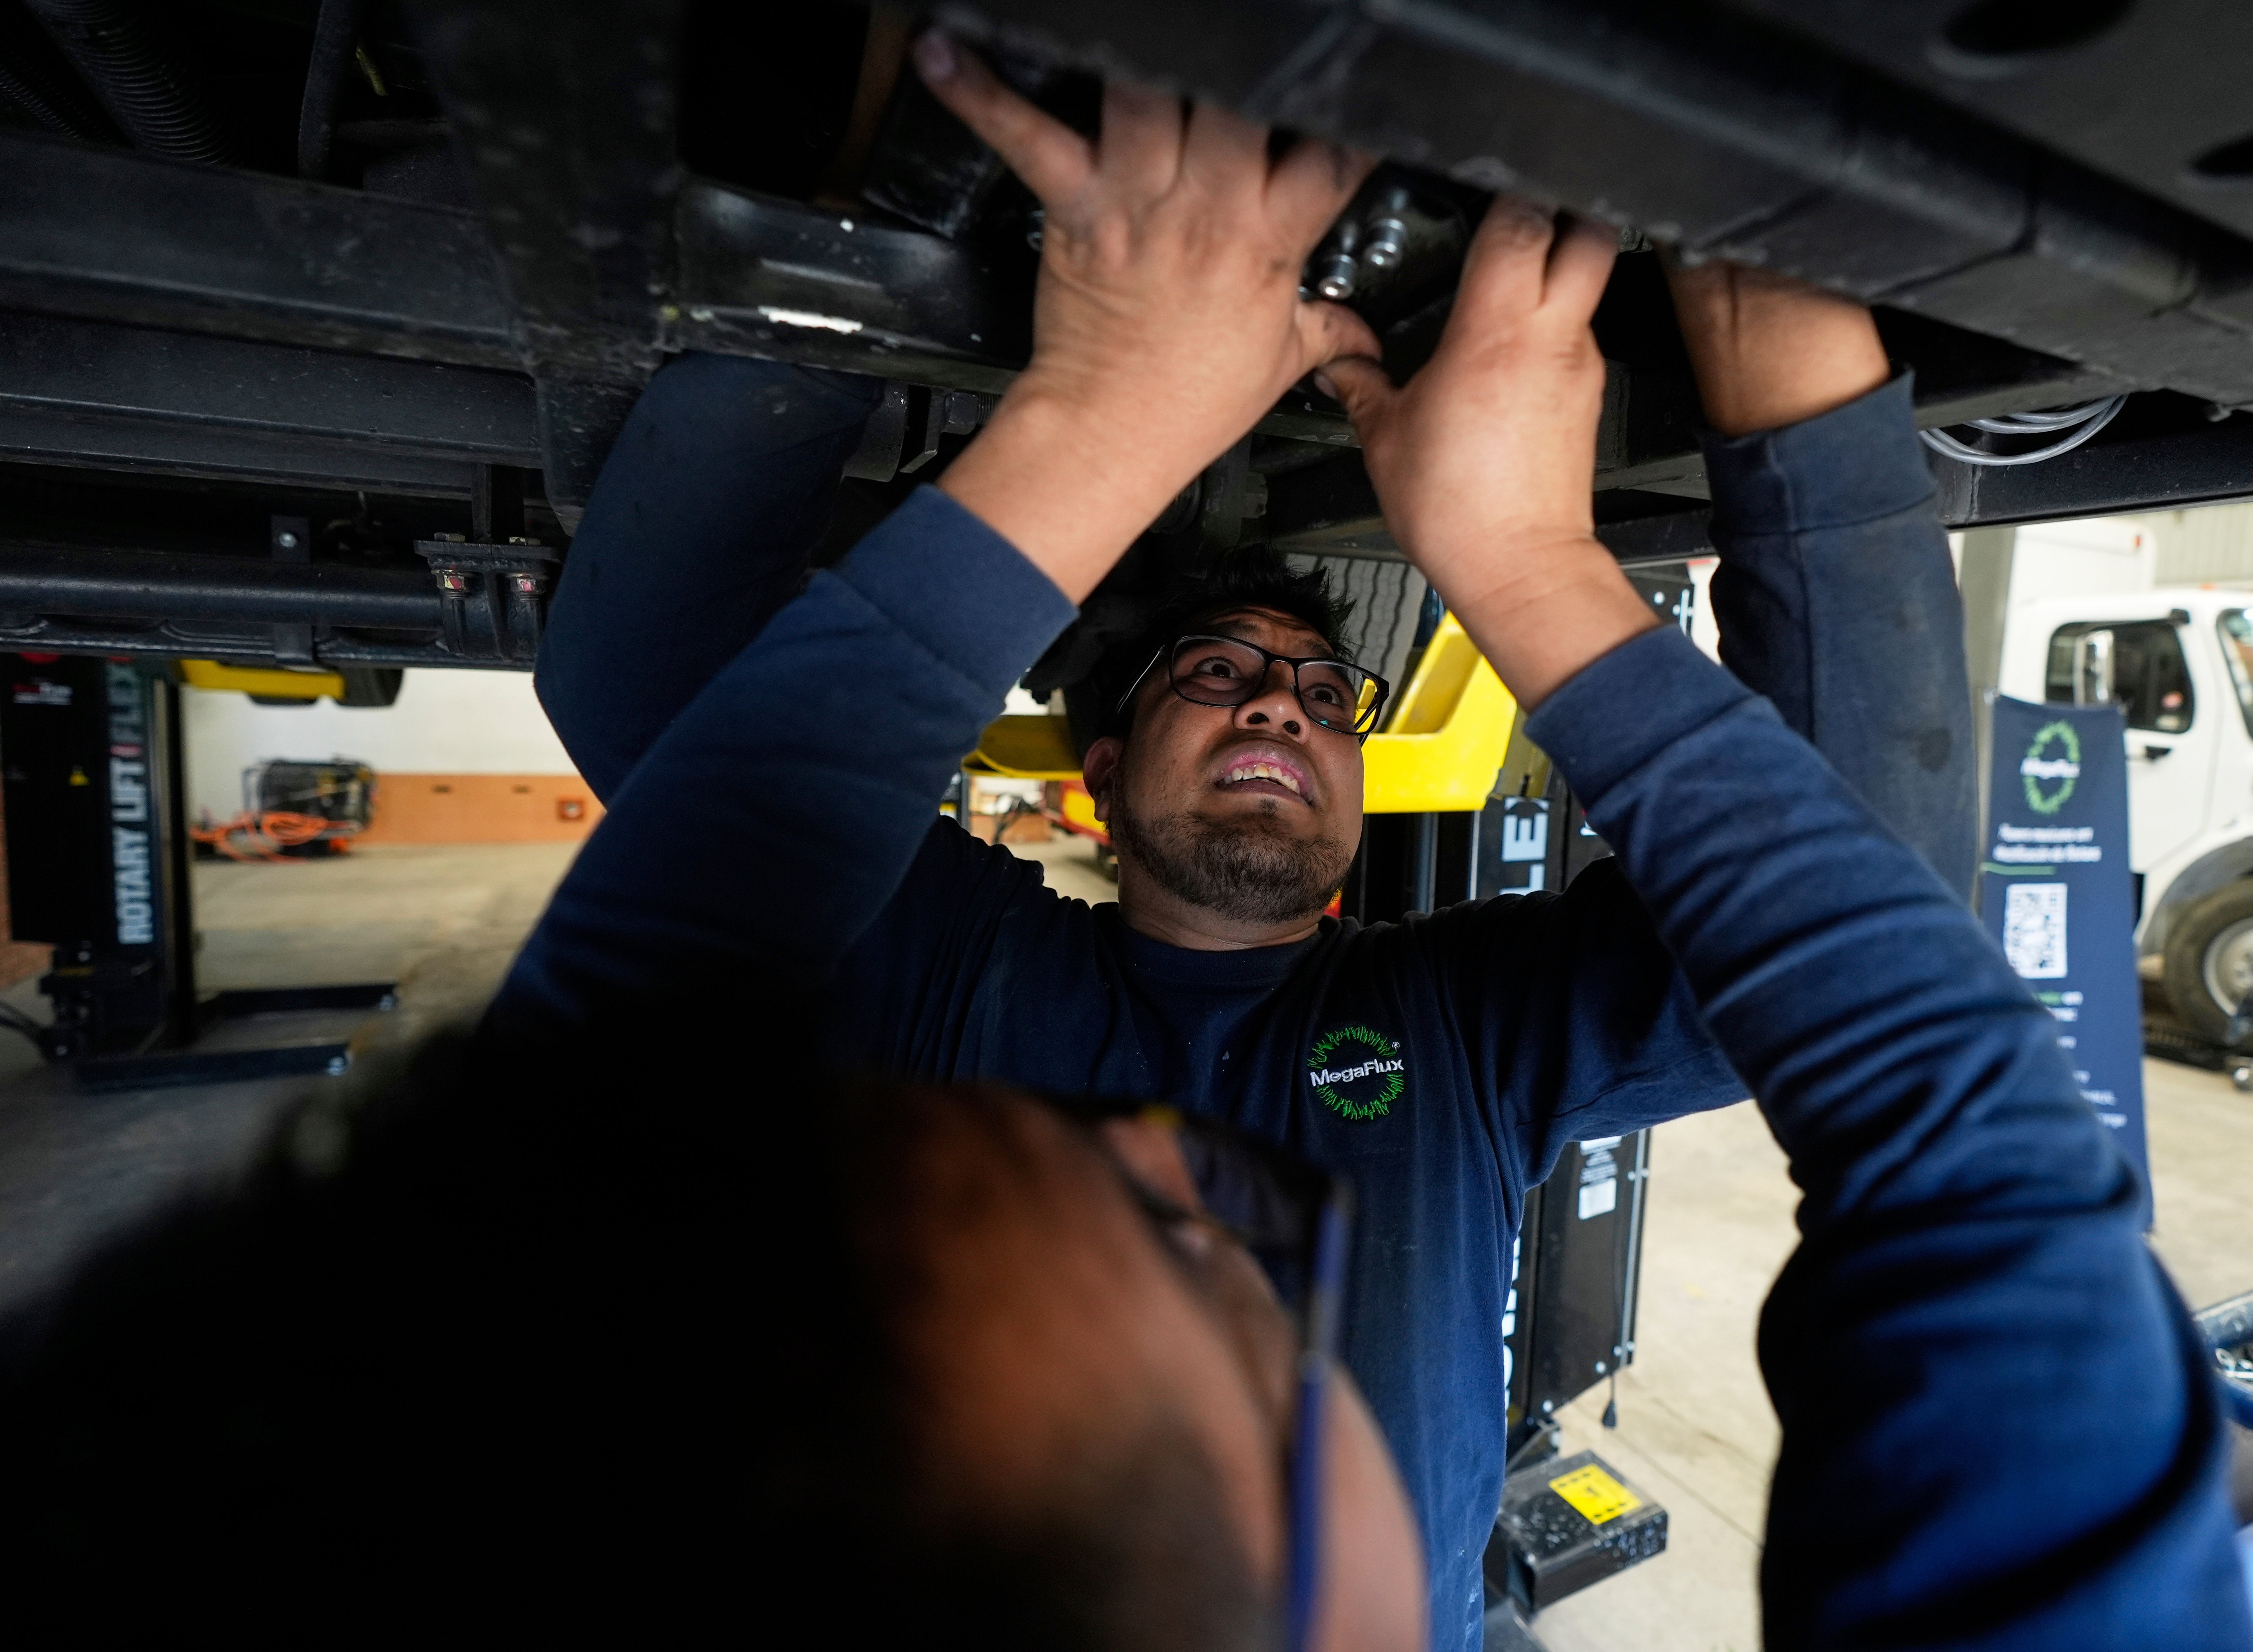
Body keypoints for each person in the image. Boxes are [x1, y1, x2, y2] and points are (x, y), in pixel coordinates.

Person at [0, 40, 2251, 1645]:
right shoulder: (1451, 1037)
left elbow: (656, 714)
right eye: (1225, 676)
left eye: (1297, 680)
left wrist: (935, 296)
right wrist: (1796, 411)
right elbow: (1898, 974)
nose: (1171, 1163)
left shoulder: (966, 982)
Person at [526, 39, 1982, 1649]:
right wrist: (1767, 319)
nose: (1286, 708)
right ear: (1098, 770)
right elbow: (1882, 912)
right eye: (1216, 676)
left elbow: (643, 681)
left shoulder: (1031, 983)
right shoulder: (1075, 975)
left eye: (1315, 694)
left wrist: (1044, 386)